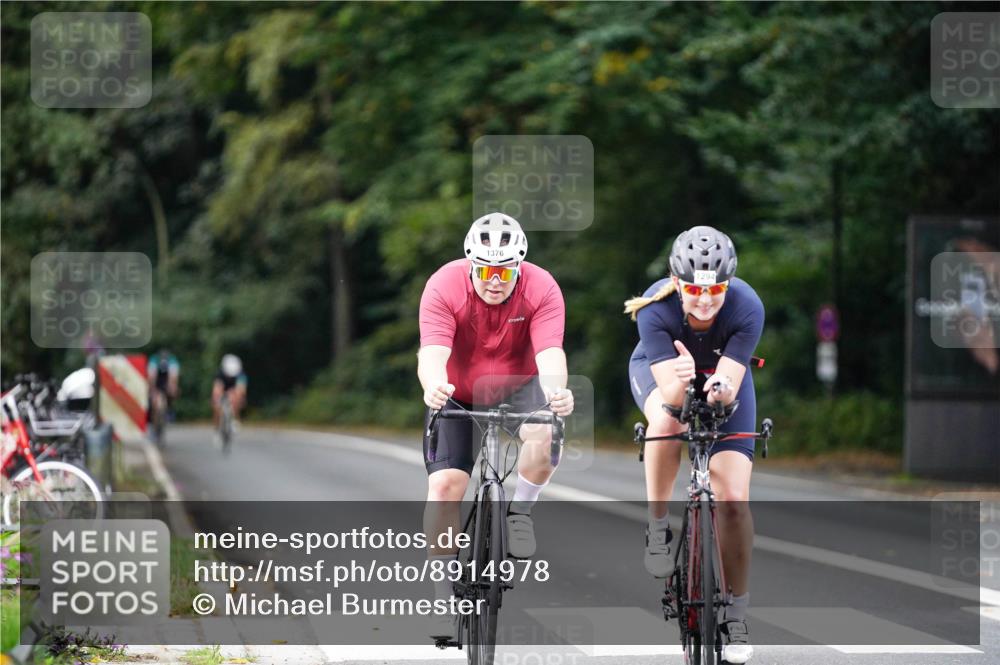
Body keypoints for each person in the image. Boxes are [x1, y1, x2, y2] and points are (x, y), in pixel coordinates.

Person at [418, 212, 574, 640]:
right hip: (456, 387)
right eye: (486, 270)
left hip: (518, 384)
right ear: (471, 265)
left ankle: (521, 509)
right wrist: (434, 386)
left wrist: (557, 392)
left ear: (518, 266)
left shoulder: (541, 288)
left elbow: (550, 355)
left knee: (545, 429)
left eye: (505, 270)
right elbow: (431, 352)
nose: (495, 280)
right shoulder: (444, 285)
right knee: (446, 485)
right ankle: (440, 594)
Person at [623, 226, 764, 664]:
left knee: (734, 499)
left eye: (716, 289)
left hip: (724, 376)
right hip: (664, 375)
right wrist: (684, 383)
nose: (705, 300)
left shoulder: (746, 306)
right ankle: (658, 526)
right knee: (666, 419)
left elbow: (728, 386)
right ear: (676, 281)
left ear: (729, 283)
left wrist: (720, 390)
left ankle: (736, 614)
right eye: (694, 290)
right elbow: (672, 395)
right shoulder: (655, 309)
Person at [212, 354, 247, 437]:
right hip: (223, 389)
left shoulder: (241, 374)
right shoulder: (219, 374)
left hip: (234, 390)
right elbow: (216, 389)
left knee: (237, 398)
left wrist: (239, 398)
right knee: (216, 406)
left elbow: (241, 389)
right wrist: (216, 398)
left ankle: (235, 420)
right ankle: (217, 427)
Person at [147, 349, 180, 435]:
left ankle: (168, 412)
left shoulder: (172, 361)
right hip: (157, 383)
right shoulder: (154, 360)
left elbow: (173, 378)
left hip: (166, 383)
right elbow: (151, 377)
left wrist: (172, 388)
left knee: (172, 393)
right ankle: (153, 423)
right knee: (154, 401)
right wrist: (152, 389)